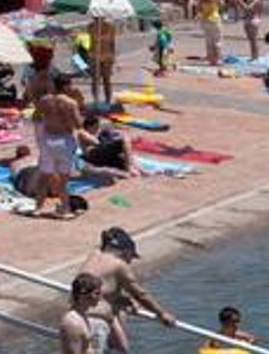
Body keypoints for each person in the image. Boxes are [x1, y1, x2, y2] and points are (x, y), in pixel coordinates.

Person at [79, 227, 175, 350]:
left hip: (75, 317)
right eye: (131, 257)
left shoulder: (93, 255)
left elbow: (97, 290)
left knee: (122, 347)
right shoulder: (119, 265)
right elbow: (141, 294)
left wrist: (120, 299)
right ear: (125, 252)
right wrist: (161, 313)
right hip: (94, 322)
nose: (130, 262)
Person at [33, 73, 88, 220]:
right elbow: (78, 124)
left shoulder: (45, 100)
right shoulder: (71, 103)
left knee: (44, 176)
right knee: (64, 179)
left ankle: (38, 208)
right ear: (65, 86)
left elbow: (36, 116)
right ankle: (64, 208)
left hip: (48, 139)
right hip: (64, 139)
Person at [59, 273, 109, 354]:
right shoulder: (73, 323)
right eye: (97, 293)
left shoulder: (81, 315)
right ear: (83, 295)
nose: (100, 297)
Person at [88, 17, 117, 106]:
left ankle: (108, 100)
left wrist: (113, 57)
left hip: (107, 56)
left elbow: (112, 43)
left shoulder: (111, 27)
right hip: (94, 56)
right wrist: (90, 57)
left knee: (106, 80)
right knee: (94, 80)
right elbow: (91, 43)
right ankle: (96, 100)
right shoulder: (90, 27)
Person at [198, 0, 225, 65]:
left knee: (209, 41)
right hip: (215, 19)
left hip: (205, 20)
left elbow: (199, 8)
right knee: (217, 40)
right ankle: (218, 59)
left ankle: (211, 59)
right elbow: (222, 5)